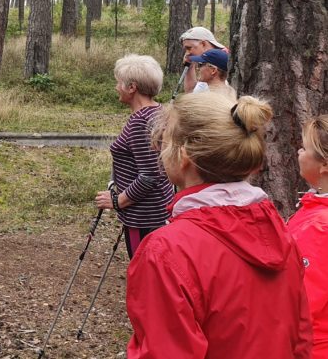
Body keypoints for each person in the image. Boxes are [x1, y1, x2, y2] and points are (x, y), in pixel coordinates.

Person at [125, 93, 312, 358]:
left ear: (184, 155)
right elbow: (300, 338)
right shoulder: (280, 232)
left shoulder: (166, 251)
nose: (159, 149)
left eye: (163, 141)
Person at [94, 54, 174, 258]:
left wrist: (117, 201)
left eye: (118, 82)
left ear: (132, 87)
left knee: (145, 275)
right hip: (156, 211)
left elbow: (149, 175)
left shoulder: (140, 122)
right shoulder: (157, 112)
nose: (116, 87)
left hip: (145, 218)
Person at [288, 114, 328, 358]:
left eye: (304, 148)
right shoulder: (314, 211)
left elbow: (301, 302)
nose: (299, 153)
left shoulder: (319, 227)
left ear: (324, 165)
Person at [179, 26, 226, 93]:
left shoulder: (223, 61)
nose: (187, 53)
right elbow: (191, 93)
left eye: (189, 48)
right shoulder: (207, 63)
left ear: (203, 44)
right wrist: (190, 66)